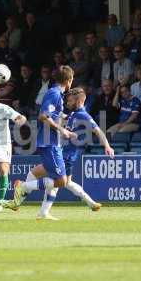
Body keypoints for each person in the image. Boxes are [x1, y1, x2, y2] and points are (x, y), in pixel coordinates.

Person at [1, 66, 76, 215]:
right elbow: (43, 116)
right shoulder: (54, 93)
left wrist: (68, 118)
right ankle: (22, 187)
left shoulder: (56, 94)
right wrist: (62, 130)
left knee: (37, 173)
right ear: (68, 81)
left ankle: (33, 209)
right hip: (50, 143)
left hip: (51, 142)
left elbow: (54, 115)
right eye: (72, 79)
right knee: (61, 181)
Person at [32, 88, 114, 219]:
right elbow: (63, 117)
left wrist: (107, 146)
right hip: (66, 154)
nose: (68, 103)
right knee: (64, 182)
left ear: (79, 101)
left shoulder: (84, 115)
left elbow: (98, 130)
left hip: (66, 154)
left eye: (70, 101)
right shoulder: (73, 115)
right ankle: (90, 203)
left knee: (57, 181)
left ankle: (25, 188)